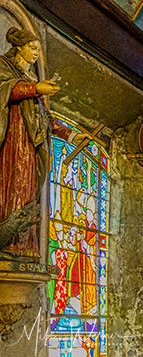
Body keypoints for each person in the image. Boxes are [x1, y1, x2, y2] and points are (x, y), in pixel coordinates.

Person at [0, 26, 60, 257]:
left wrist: (70, 135)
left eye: (38, 48)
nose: (36, 52)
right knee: (12, 187)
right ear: (19, 47)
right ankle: (8, 242)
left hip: (31, 142)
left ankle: (25, 244)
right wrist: (34, 89)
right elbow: (6, 90)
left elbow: (45, 116)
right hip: (12, 139)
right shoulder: (4, 66)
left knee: (29, 190)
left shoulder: (31, 77)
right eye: (32, 48)